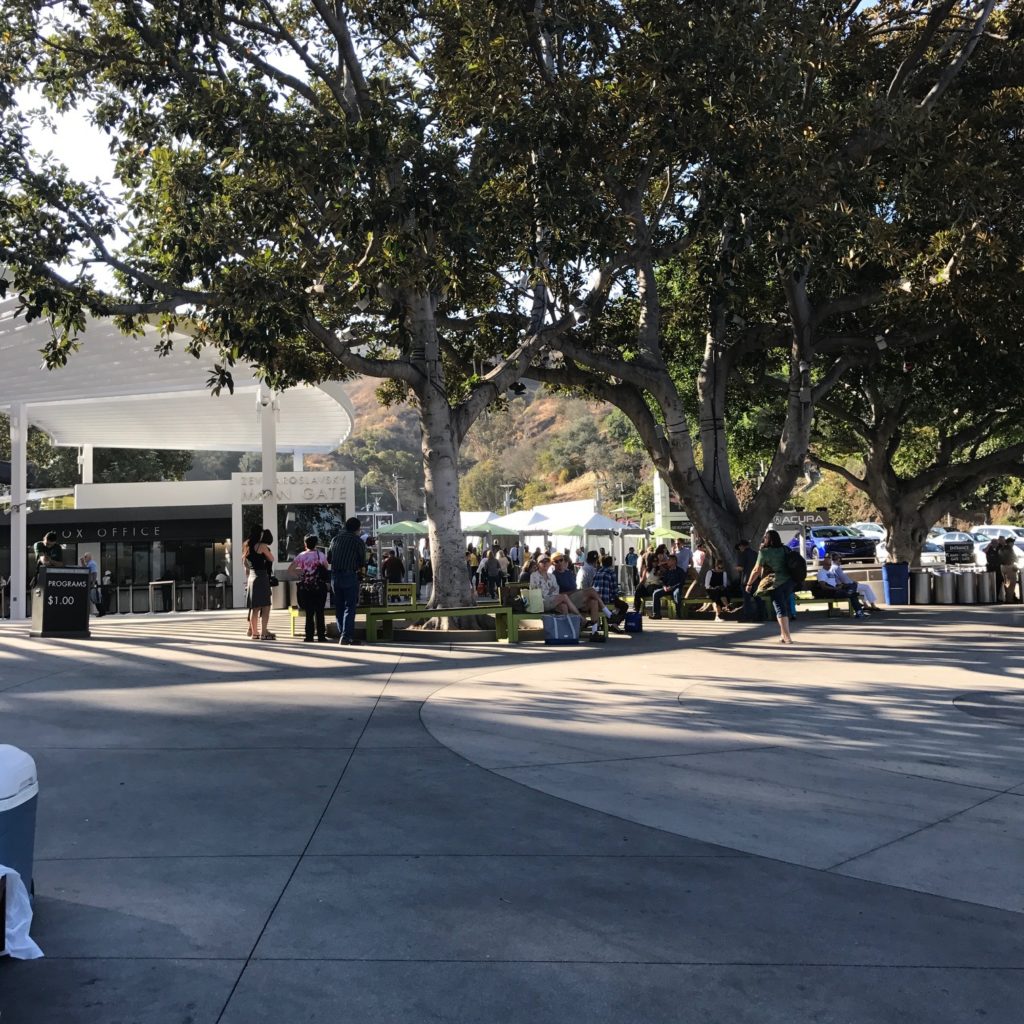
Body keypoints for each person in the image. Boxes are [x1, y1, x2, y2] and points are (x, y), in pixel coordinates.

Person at [746, 530, 794, 644]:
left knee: (780, 608)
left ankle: (787, 636)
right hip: (788, 581)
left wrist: (749, 583)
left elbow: (756, 570)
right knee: (784, 607)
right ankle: (783, 635)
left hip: (774, 583)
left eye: (765, 538)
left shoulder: (765, 552)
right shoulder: (785, 549)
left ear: (767, 539)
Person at [329, 517, 368, 645]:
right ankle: (346, 636)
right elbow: (362, 561)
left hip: (335, 576)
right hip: (349, 575)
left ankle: (343, 634)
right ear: (358, 528)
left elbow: (329, 558)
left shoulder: (335, 539)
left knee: (339, 607)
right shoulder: (357, 541)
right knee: (349, 607)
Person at [290, 534, 329, 642]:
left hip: (306, 587)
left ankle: (309, 636)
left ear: (305, 544)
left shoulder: (301, 555)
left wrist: (301, 575)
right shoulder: (320, 555)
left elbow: (291, 569)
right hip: (319, 586)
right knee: (320, 612)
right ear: (316, 544)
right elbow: (326, 567)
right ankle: (321, 636)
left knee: (309, 612)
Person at [243, 526, 275, 640]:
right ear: (259, 534)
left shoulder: (247, 545)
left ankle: (255, 633)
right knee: (266, 606)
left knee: (254, 607)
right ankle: (264, 632)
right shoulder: (261, 546)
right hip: (261, 577)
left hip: (251, 577)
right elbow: (272, 558)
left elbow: (245, 565)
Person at [593, 555, 628, 631]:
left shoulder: (597, 572)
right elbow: (614, 590)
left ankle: (607, 621)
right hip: (607, 600)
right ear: (611, 563)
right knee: (624, 606)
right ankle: (615, 624)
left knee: (617, 604)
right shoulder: (611, 572)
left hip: (597, 599)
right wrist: (619, 593)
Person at [651, 554, 686, 618]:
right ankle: (656, 614)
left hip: (675, 588)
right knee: (656, 593)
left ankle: (678, 614)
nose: (667, 562)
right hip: (667, 589)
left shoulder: (680, 571)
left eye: (669, 560)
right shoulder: (668, 571)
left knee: (677, 594)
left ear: (674, 561)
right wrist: (664, 587)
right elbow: (664, 581)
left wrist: (672, 587)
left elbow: (681, 582)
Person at [734, 540, 761, 621]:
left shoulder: (743, 554)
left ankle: (747, 616)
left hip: (746, 580)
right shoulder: (756, 554)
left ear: (742, 546)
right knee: (757, 598)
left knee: (747, 599)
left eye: (739, 546)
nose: (739, 548)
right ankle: (761, 615)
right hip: (756, 579)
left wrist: (735, 568)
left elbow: (740, 567)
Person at [79, 551, 104, 616]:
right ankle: (101, 611)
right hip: (89, 582)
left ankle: (101, 611)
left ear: (89, 557)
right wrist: (82, 563)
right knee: (93, 597)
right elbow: (85, 570)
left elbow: (94, 573)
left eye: (85, 557)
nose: (84, 558)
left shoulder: (92, 563)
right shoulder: (88, 564)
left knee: (95, 597)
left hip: (92, 582)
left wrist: (93, 582)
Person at [998, 537, 1018, 602]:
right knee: (1012, 584)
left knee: (1006, 583)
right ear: (1009, 543)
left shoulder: (1001, 549)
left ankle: (1008, 598)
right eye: (1012, 542)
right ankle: (1010, 599)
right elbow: (1014, 558)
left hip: (1002, 567)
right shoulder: (1009, 549)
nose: (1013, 544)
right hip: (1009, 567)